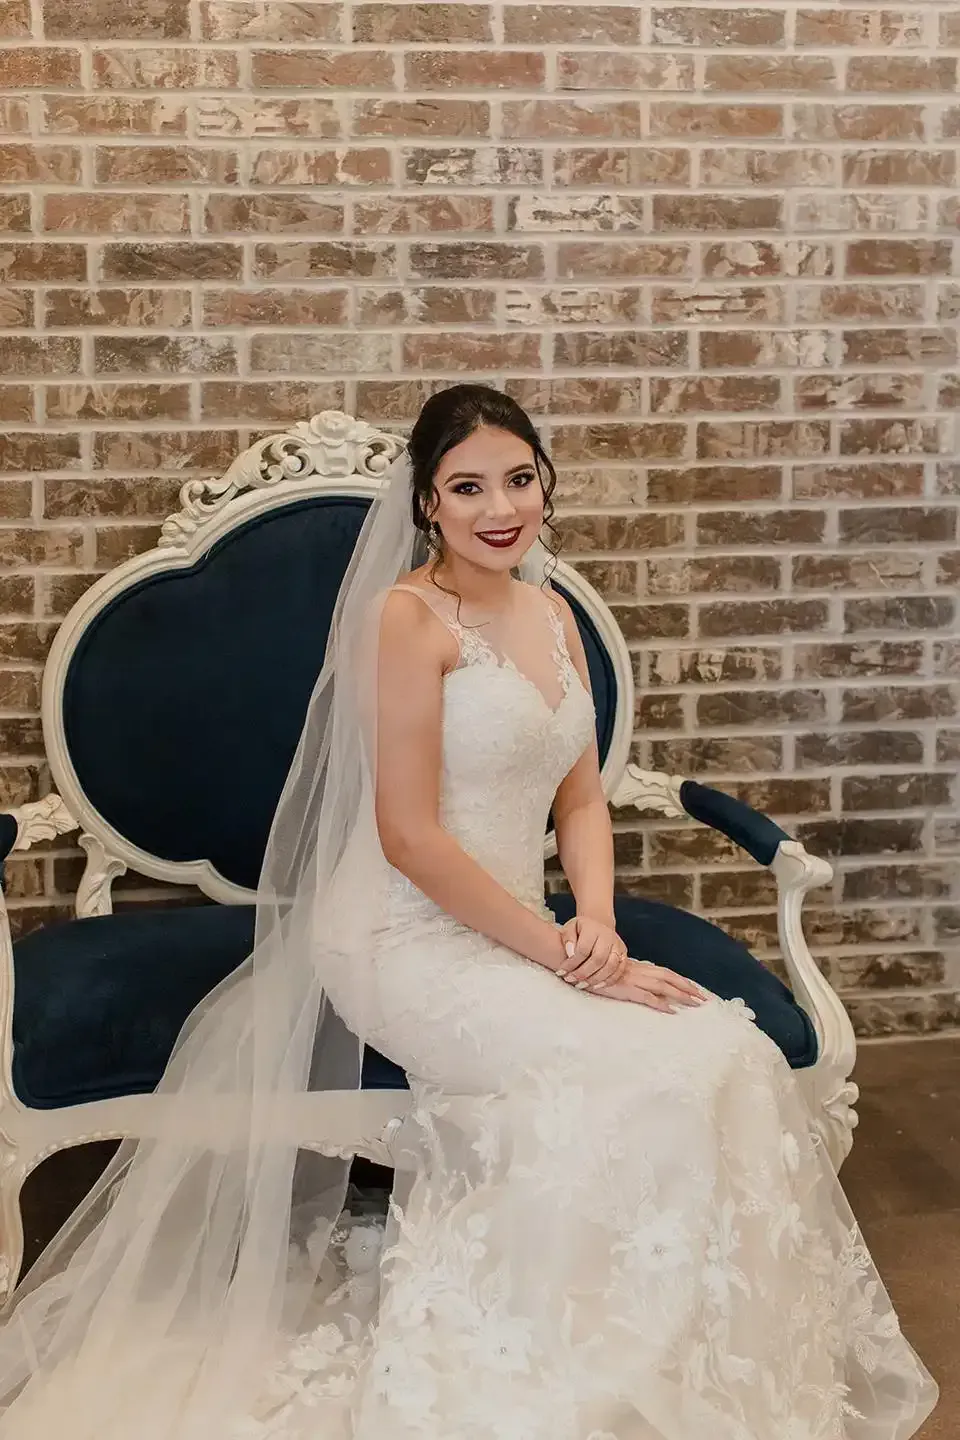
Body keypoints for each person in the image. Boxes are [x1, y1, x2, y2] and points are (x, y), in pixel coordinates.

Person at [0, 385, 938, 1439]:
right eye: (468, 486)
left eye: (521, 479)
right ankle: (549, 1364)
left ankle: (672, 1357)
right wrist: (564, 956)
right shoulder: (407, 621)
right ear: (429, 505)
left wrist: (598, 923)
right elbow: (409, 837)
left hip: (515, 924)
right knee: (627, 1074)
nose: (501, 507)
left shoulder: (553, 614)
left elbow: (581, 794)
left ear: (546, 484)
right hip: (399, 937)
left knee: (724, 1054)